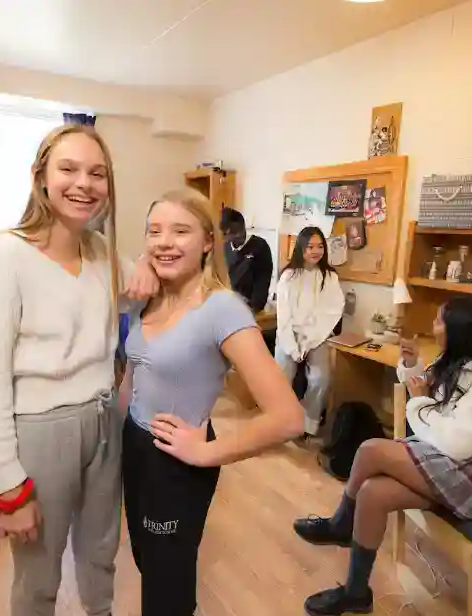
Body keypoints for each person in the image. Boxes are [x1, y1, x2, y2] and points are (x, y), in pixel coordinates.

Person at [0, 124, 159, 616]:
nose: (83, 183)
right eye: (68, 169)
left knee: (99, 551)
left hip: (103, 419)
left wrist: (149, 266)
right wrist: (8, 486)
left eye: (97, 173)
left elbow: (143, 284)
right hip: (40, 432)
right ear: (40, 177)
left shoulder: (102, 253)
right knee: (39, 570)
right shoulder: (5, 256)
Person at [292, 295, 472, 615]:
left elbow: (455, 440)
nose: (434, 327)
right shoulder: (469, 363)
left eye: (439, 321)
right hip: (463, 464)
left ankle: (342, 524)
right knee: (373, 493)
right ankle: (357, 592)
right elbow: (435, 398)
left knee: (371, 449)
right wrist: (412, 366)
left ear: (461, 331)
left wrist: (420, 401)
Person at [119, 187, 303, 616]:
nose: (164, 241)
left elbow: (288, 417)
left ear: (207, 242)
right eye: (154, 232)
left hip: (176, 458)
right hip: (135, 446)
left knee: (167, 586)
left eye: (180, 231)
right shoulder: (152, 295)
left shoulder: (223, 309)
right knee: (149, 561)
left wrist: (206, 452)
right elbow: (134, 372)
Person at [274, 226, 344, 438]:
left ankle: (307, 424)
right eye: (310, 246)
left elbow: (331, 312)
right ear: (301, 248)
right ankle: (279, 423)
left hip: (317, 336)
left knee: (321, 379)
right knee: (280, 378)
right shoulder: (288, 276)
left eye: (320, 246)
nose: (316, 251)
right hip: (289, 334)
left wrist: (310, 340)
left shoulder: (330, 277)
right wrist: (294, 347)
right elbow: (283, 314)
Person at [220, 206, 273, 313]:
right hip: (226, 305)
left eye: (239, 231)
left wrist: (253, 306)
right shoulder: (224, 248)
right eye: (232, 233)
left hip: (250, 307)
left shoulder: (260, 246)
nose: (238, 235)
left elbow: (263, 280)